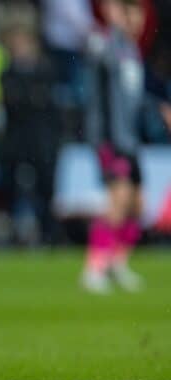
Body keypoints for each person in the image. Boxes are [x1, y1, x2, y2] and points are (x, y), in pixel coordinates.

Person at [81, 0, 146, 293]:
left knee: (136, 205)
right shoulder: (105, 47)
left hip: (131, 139)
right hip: (111, 138)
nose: (137, 21)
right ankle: (94, 268)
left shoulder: (131, 52)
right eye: (130, 13)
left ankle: (117, 264)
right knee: (117, 201)